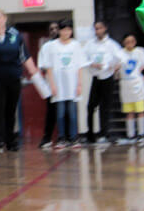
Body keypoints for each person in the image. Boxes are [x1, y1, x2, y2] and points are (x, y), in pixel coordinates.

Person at [0, 9, 38, 152]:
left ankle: (11, 140)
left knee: (11, 110)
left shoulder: (15, 34)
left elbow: (24, 55)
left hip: (13, 77)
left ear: (4, 19)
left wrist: (33, 71)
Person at [45, 20, 87, 150]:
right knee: (60, 113)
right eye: (63, 30)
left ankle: (74, 138)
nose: (66, 32)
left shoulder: (76, 45)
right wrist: (52, 84)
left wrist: (79, 84)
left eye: (69, 30)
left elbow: (80, 66)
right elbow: (49, 67)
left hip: (72, 85)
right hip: (59, 86)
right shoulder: (52, 46)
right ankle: (62, 138)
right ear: (59, 31)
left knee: (72, 113)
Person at [85, 21, 121, 146]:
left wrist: (115, 67)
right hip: (96, 77)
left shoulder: (112, 45)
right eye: (95, 29)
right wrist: (92, 64)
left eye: (99, 28)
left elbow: (121, 59)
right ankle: (90, 134)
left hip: (108, 78)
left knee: (105, 107)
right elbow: (84, 59)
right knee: (90, 106)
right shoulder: (90, 44)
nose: (97, 31)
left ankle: (104, 133)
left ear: (105, 28)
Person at [116, 33, 144, 146]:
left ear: (135, 42)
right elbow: (114, 67)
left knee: (140, 110)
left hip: (137, 83)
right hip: (125, 84)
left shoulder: (140, 51)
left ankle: (141, 134)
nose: (130, 44)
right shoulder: (119, 54)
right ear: (124, 42)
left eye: (132, 41)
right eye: (127, 41)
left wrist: (143, 68)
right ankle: (131, 135)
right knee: (129, 111)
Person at [37, 22, 59, 149]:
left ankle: (66, 137)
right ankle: (47, 138)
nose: (54, 31)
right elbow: (42, 67)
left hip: (66, 85)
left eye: (56, 28)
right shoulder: (46, 46)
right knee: (51, 112)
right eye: (51, 29)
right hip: (51, 85)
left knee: (66, 112)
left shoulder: (67, 44)